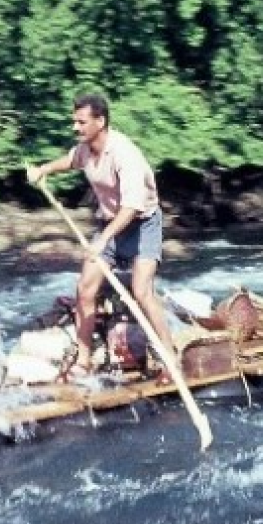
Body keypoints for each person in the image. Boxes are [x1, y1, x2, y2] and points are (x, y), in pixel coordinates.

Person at [25, 94, 179, 381]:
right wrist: (43, 170)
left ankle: (171, 358)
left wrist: (102, 240)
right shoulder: (86, 149)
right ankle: (83, 360)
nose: (75, 127)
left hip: (142, 223)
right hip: (109, 222)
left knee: (142, 290)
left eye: (81, 122)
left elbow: (131, 207)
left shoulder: (125, 154)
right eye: (74, 121)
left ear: (101, 121)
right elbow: (71, 160)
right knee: (85, 289)